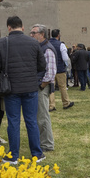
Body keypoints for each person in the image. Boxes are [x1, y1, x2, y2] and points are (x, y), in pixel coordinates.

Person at [0, 15, 45, 164]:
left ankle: (13, 155)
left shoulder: (1, 43)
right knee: (31, 121)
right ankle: (37, 154)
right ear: (22, 27)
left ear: (8, 28)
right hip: (30, 87)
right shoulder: (34, 43)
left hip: (11, 89)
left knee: (13, 122)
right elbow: (42, 65)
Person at [33, 24, 57, 152]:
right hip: (40, 86)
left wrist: (41, 85)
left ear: (41, 34)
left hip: (42, 87)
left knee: (43, 116)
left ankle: (47, 144)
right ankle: (43, 141)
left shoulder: (47, 49)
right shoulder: (41, 48)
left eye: (34, 33)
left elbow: (51, 72)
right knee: (39, 116)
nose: (31, 35)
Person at [49, 28, 73, 110]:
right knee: (62, 86)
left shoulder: (47, 44)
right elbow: (65, 58)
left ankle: (51, 105)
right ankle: (66, 103)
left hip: (50, 69)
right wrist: (67, 67)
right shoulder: (61, 45)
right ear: (58, 35)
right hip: (60, 69)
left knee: (51, 87)